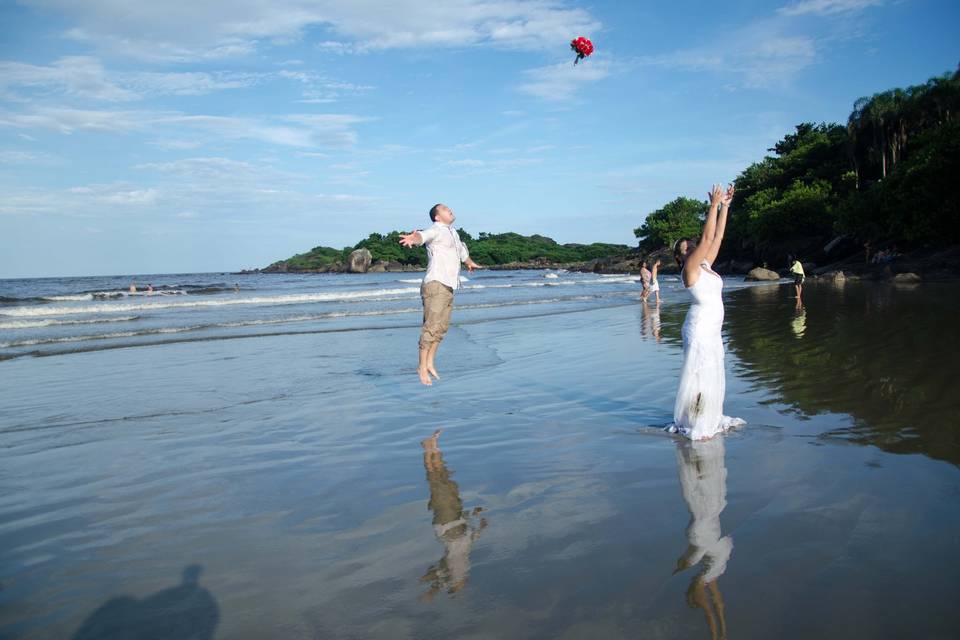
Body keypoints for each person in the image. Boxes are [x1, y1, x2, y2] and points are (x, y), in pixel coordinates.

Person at [667, 184, 745, 440]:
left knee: (711, 374)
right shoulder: (689, 269)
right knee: (699, 376)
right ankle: (696, 422)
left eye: (691, 246)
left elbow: (718, 238)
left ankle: (706, 418)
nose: (691, 249)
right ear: (680, 258)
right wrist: (713, 206)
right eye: (686, 249)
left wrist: (725, 207)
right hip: (699, 328)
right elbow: (708, 239)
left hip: (711, 329)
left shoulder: (704, 266)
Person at [400, 204, 483, 386]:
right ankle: (421, 367)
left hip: (449, 286)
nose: (450, 209)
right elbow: (423, 236)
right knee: (430, 328)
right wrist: (414, 238)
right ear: (437, 217)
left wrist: (470, 263)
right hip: (435, 284)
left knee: (441, 328)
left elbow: (461, 253)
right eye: (445, 209)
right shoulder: (435, 230)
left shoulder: (454, 233)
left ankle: (430, 362)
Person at [420, 430, 486, 601]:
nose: (463, 586)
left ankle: (428, 449)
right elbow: (469, 541)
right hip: (457, 518)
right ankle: (434, 445)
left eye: (458, 589)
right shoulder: (465, 567)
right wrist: (480, 523)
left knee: (435, 481)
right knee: (447, 482)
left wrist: (433, 591)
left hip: (447, 522)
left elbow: (442, 575)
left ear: (454, 587)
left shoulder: (455, 574)